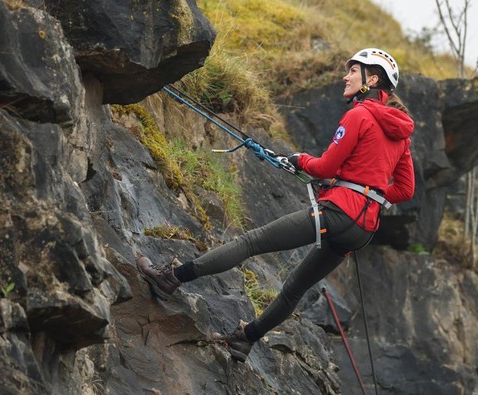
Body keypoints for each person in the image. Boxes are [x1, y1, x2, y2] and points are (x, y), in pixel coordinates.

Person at [137, 48, 415, 362]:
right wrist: (368, 194)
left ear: (372, 78)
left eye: (353, 70)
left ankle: (170, 279)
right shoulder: (401, 132)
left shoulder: (359, 115)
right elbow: (404, 190)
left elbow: (324, 167)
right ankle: (245, 339)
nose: (345, 75)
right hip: (363, 230)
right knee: (295, 288)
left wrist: (301, 161)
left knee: (250, 242)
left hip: (338, 212)